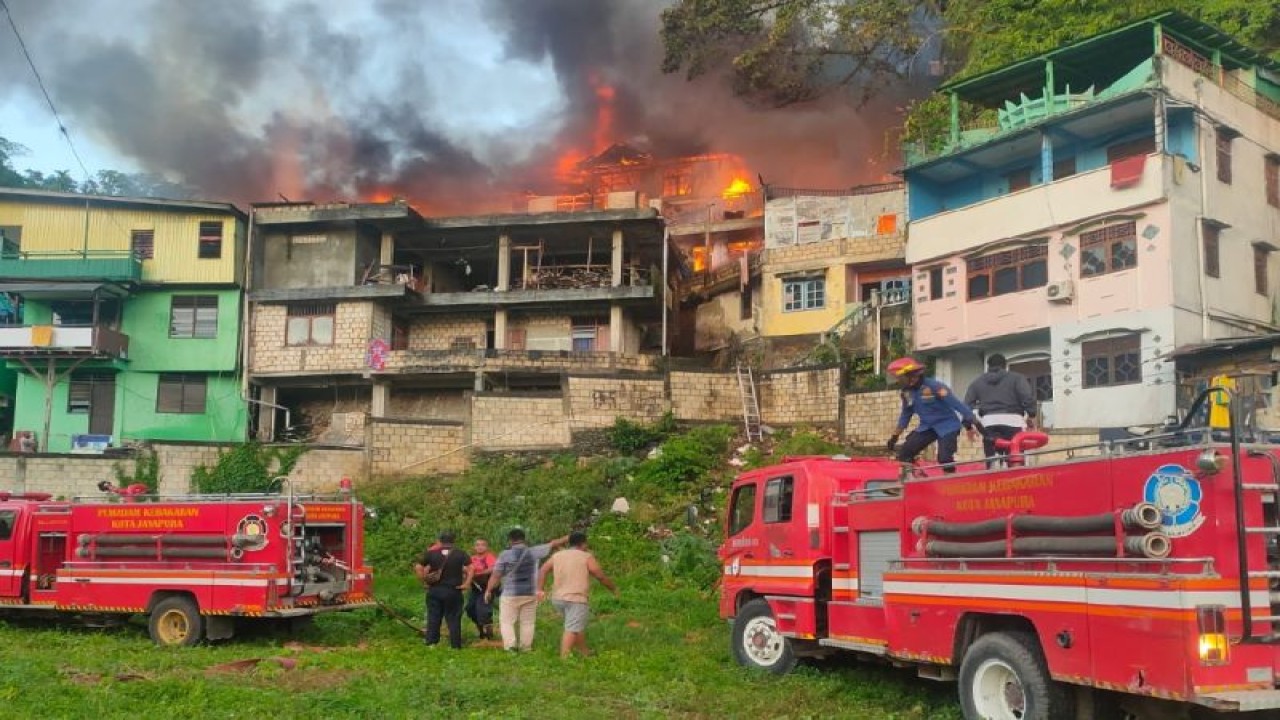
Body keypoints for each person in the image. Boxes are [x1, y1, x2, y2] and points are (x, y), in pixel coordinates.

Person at [885, 356, 985, 473]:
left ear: (911, 375)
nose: (898, 381)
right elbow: (905, 415)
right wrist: (894, 437)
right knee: (905, 453)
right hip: (927, 427)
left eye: (899, 378)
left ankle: (950, 479)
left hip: (947, 426)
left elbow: (957, 405)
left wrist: (974, 423)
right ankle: (911, 477)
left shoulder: (935, 386)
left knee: (944, 458)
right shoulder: (907, 393)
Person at [483, 528, 569, 652]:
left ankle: (510, 647)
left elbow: (496, 575)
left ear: (510, 540)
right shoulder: (534, 551)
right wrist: (570, 537)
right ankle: (525, 647)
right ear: (524, 539)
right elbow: (553, 543)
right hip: (530, 593)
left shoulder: (505, 554)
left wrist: (488, 590)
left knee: (507, 622)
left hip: (510, 594)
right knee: (527, 622)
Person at [537, 530, 618, 659]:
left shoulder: (557, 555)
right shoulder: (585, 556)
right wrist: (613, 589)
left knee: (575, 624)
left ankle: (584, 652)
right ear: (583, 543)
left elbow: (543, 570)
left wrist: (540, 589)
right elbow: (599, 575)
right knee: (572, 628)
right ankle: (565, 658)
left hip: (558, 598)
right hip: (576, 598)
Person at [964, 353, 1038, 467]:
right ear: (1005, 365)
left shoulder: (977, 382)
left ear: (988, 366)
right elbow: (1027, 398)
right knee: (1015, 457)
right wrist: (1031, 415)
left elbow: (966, 406)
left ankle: (993, 469)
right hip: (1013, 421)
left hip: (988, 423)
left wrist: (968, 426)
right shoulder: (1017, 378)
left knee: (992, 460)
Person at [413, 531, 472, 649]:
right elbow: (471, 568)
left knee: (433, 616)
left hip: (435, 590)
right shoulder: (460, 554)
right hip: (453, 591)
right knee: (454, 618)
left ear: (440, 541)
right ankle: (455, 645)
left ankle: (431, 643)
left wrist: (424, 581)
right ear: (454, 541)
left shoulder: (431, 553)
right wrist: (466, 583)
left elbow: (418, 566)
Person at [465, 537, 498, 640]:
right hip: (475, 587)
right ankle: (481, 630)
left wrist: (479, 573)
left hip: (487, 587)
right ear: (474, 547)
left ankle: (489, 633)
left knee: (483, 610)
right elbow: (466, 569)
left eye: (483, 545)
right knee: (470, 609)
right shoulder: (471, 558)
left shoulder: (489, 557)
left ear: (487, 547)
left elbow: (493, 568)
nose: (480, 547)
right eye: (477, 545)